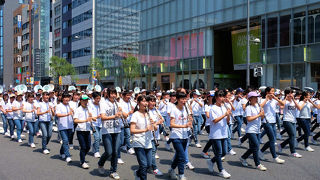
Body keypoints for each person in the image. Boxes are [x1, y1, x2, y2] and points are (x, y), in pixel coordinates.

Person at [206, 90, 231, 179]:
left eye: (223, 97)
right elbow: (215, 120)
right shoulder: (212, 108)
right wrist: (225, 114)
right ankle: (221, 170)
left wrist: (228, 115)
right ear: (216, 98)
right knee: (219, 152)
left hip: (223, 133)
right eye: (220, 97)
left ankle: (211, 161)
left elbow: (227, 122)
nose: (222, 98)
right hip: (215, 134)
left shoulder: (224, 107)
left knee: (224, 152)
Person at [98, 88, 122, 180]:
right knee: (109, 152)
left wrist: (122, 112)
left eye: (114, 94)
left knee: (115, 152)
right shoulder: (103, 103)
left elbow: (125, 115)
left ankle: (113, 171)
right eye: (111, 94)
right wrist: (114, 116)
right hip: (106, 130)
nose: (113, 96)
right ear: (108, 95)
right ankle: (100, 163)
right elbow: (103, 117)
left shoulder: (118, 103)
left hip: (117, 130)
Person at [239, 91, 267, 171]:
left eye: (257, 97)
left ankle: (243, 157)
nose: (257, 98)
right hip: (250, 130)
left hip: (257, 130)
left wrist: (262, 114)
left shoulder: (258, 106)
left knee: (253, 147)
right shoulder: (248, 107)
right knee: (256, 146)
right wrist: (258, 115)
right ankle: (257, 164)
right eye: (255, 97)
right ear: (250, 99)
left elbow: (261, 118)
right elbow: (248, 119)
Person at [167, 92, 192, 180]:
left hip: (185, 136)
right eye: (182, 99)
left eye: (185, 99)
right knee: (182, 156)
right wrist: (183, 126)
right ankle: (181, 174)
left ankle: (171, 169)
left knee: (178, 156)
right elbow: (172, 124)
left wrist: (190, 122)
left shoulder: (186, 108)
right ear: (177, 99)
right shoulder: (174, 109)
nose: (184, 101)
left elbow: (188, 119)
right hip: (176, 136)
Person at [131, 95, 155, 180]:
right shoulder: (135, 115)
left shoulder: (149, 113)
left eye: (146, 101)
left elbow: (154, 128)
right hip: (138, 141)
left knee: (148, 164)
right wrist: (145, 130)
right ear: (138, 103)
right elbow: (132, 130)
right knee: (144, 165)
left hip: (148, 141)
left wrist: (153, 124)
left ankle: (137, 173)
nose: (145, 103)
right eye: (143, 101)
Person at [259, 87, 285, 163]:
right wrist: (267, 99)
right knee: (272, 140)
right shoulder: (263, 100)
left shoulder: (274, 100)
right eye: (272, 91)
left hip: (273, 122)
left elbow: (283, 104)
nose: (273, 93)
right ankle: (275, 157)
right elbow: (259, 106)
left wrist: (276, 98)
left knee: (272, 140)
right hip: (266, 121)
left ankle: (261, 152)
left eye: (274, 92)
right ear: (267, 92)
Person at [277, 89, 303, 158]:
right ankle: (293, 152)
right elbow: (281, 107)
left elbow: (299, 108)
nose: (291, 95)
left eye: (292, 93)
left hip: (293, 120)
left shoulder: (294, 101)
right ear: (286, 94)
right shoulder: (284, 101)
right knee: (292, 135)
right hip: (287, 120)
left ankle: (281, 145)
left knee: (293, 136)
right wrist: (286, 98)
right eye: (290, 93)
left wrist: (293, 100)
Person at [146, 95, 164, 176]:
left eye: (154, 101)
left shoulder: (155, 110)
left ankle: (147, 166)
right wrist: (154, 123)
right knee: (152, 152)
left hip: (155, 134)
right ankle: (154, 168)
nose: (153, 103)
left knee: (152, 151)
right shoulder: (145, 111)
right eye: (151, 101)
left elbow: (162, 119)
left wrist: (156, 123)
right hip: (148, 134)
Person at [73, 95, 93, 169]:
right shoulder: (78, 109)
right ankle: (83, 161)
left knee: (88, 146)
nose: (85, 102)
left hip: (87, 129)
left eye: (86, 100)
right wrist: (85, 120)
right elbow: (75, 120)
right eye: (84, 100)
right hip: (80, 130)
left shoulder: (88, 109)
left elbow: (90, 118)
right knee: (83, 147)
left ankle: (82, 156)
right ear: (80, 101)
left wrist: (93, 118)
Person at [56, 93, 74, 163]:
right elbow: (58, 114)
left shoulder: (70, 105)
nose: (67, 99)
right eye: (65, 97)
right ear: (62, 98)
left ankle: (62, 152)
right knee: (65, 140)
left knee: (66, 141)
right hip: (62, 126)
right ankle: (68, 156)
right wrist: (67, 114)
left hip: (69, 125)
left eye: (68, 98)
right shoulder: (59, 106)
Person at [89, 92, 102, 158]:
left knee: (100, 139)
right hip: (93, 124)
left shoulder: (101, 105)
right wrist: (97, 117)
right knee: (96, 138)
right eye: (97, 98)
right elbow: (90, 116)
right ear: (93, 98)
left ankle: (94, 146)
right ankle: (96, 151)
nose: (98, 100)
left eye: (99, 98)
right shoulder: (90, 105)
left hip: (100, 124)